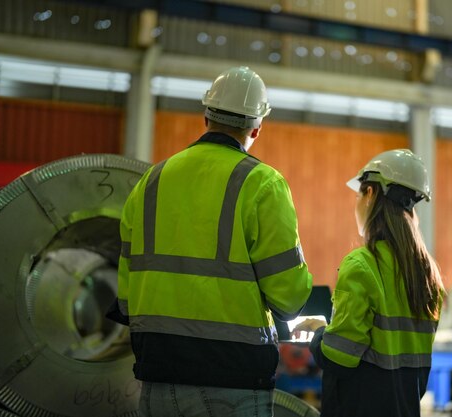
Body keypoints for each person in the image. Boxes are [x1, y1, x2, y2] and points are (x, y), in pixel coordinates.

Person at [107, 66, 313, 417]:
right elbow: (289, 296)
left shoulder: (151, 181)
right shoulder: (263, 184)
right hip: (232, 378)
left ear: (206, 117)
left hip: (157, 373)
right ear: (257, 128)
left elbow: (126, 294)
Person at [294, 149, 444, 417]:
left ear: (371, 193)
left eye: (358, 194)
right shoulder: (427, 274)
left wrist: (318, 333)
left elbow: (338, 357)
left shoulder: (363, 264)